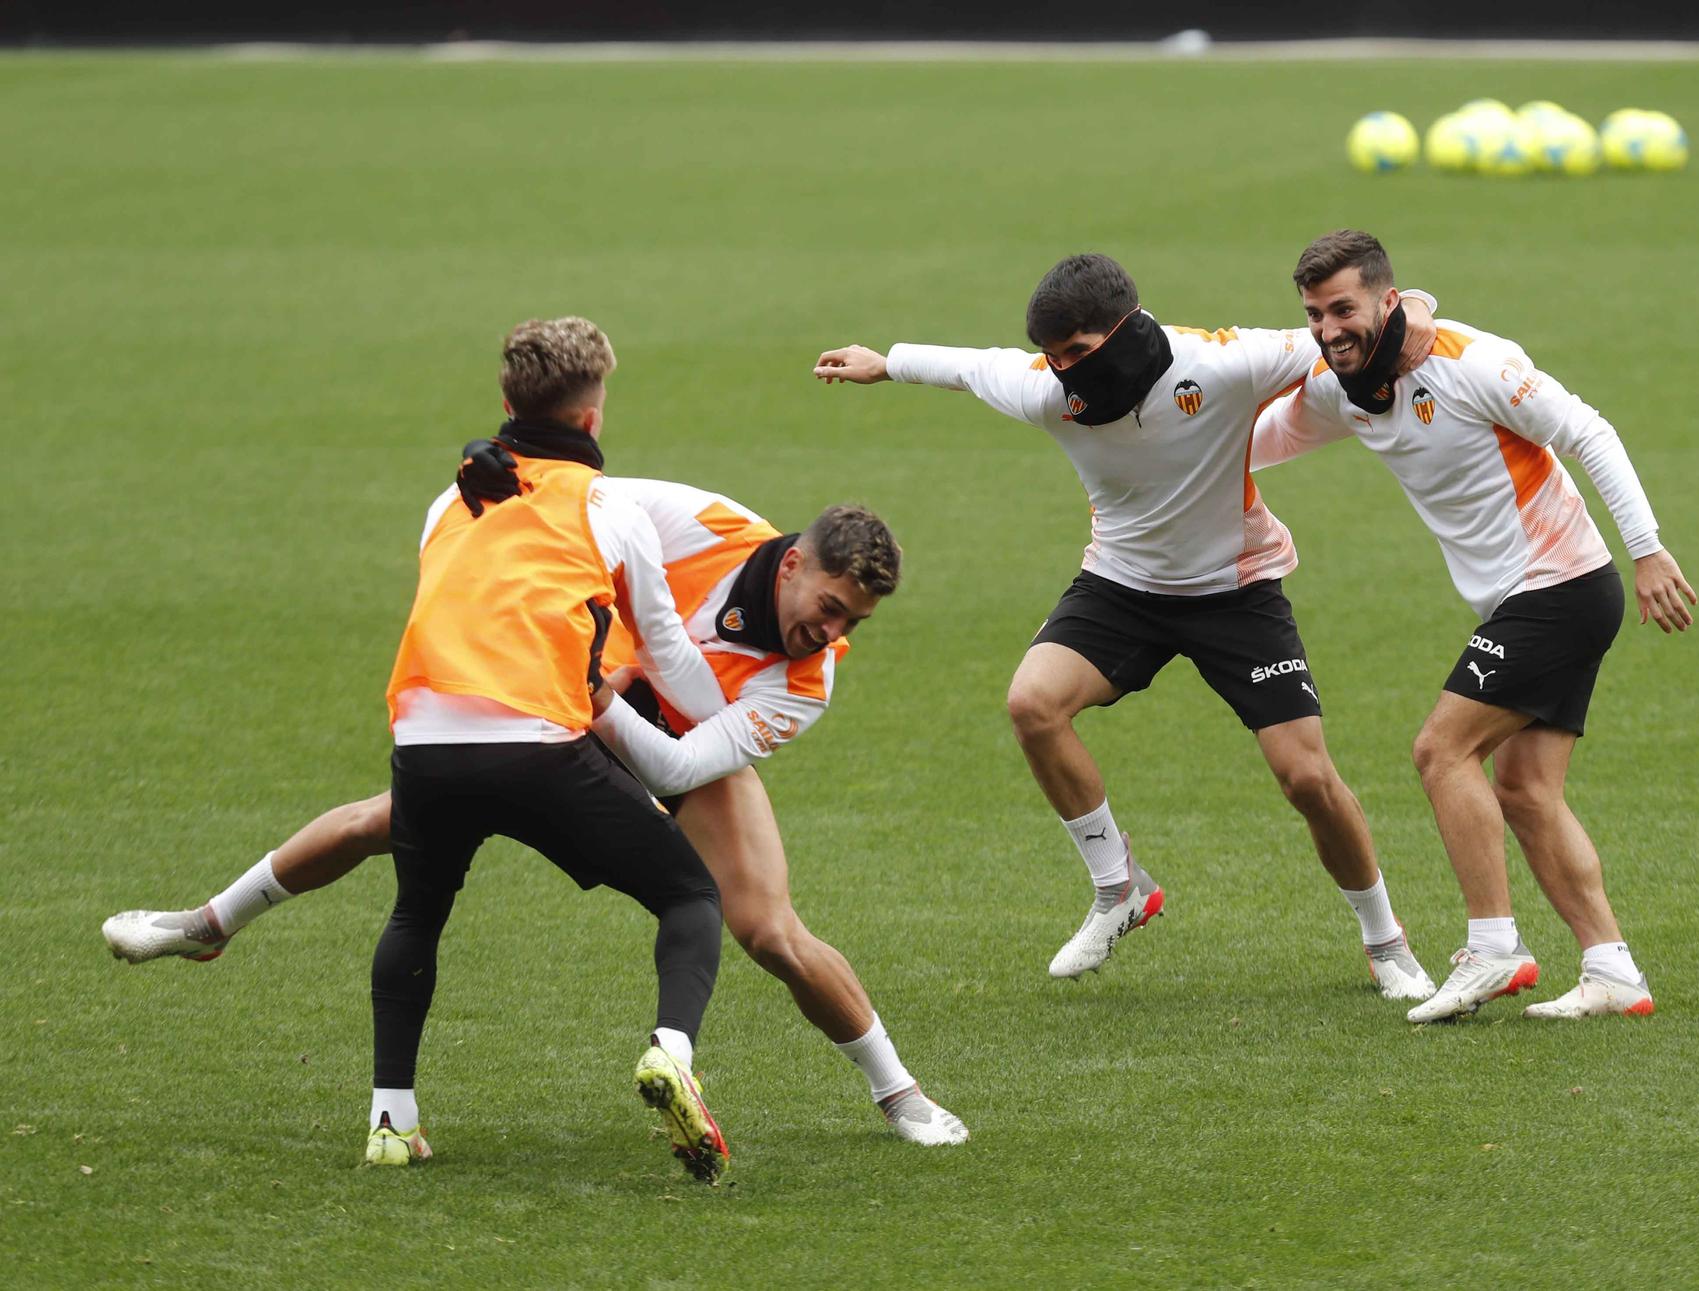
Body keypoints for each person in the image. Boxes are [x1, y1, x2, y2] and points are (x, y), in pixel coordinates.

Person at [101, 469, 968, 1146]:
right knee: (387, 818)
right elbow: (579, 504)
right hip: (567, 701)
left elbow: (679, 761)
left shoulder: (806, 684)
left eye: (853, 619)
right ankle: (208, 922)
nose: (831, 632)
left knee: (770, 930)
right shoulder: (701, 522)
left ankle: (901, 1092)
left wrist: (604, 694)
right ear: (793, 563)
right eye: (827, 607)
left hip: (660, 737)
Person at [812, 254, 1440, 997]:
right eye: (1054, 356)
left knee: (1306, 776)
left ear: (1122, 330)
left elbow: (1348, 336)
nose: (1065, 370)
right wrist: (886, 364)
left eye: (1078, 353)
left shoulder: (1223, 364)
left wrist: (1420, 308)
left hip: (1235, 588)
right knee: (1031, 703)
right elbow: (977, 367)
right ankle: (1120, 887)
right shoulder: (1048, 392)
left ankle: (1385, 939)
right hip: (1123, 585)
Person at [1252, 230, 1699, 1023]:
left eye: (1343, 309)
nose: (1327, 330)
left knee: (1441, 749)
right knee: (1526, 791)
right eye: (1315, 315)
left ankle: (1494, 948)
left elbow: (1587, 430)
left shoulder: (1472, 363)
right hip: (1530, 601)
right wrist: (1168, 467)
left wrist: (1649, 550)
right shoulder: (1344, 382)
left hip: (1560, 590)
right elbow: (1268, 439)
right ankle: (1611, 968)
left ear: (1388, 300)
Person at [379, 316, 730, 1175]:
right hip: (535, 741)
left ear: (506, 403)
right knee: (690, 897)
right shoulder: (609, 505)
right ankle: (670, 1055)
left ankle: (391, 1120)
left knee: (417, 912)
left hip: (422, 736)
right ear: (594, 418)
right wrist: (730, 716)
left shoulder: (446, 498)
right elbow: (669, 654)